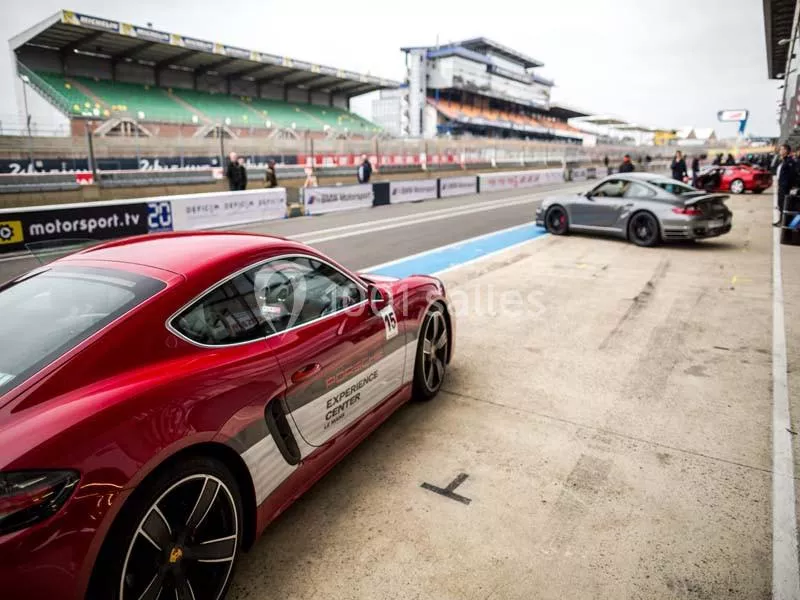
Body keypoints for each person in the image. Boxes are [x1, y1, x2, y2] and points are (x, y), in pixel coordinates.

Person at [774, 143, 796, 227]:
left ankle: (784, 222)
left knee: (784, 205)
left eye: (782, 149)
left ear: (786, 151)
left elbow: (792, 175)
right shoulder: (784, 160)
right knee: (780, 204)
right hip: (781, 187)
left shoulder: (790, 161)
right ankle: (781, 221)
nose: (780, 151)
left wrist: (789, 187)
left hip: (785, 188)